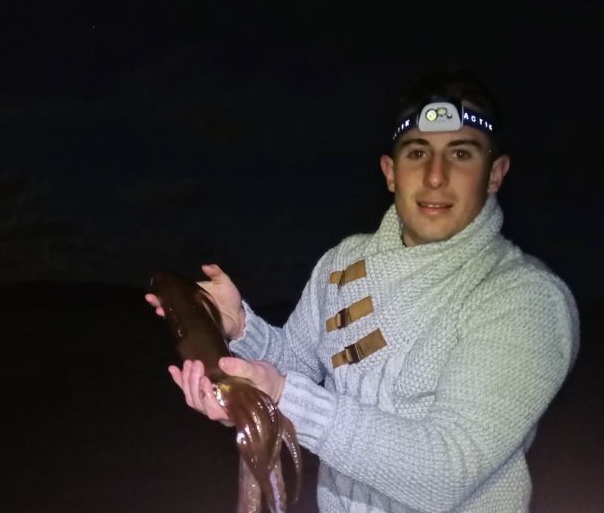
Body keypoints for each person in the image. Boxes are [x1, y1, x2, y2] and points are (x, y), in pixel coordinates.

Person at [146, 68, 579, 512]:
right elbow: (292, 364)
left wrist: (283, 397)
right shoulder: (343, 263)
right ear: (390, 172)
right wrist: (241, 329)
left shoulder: (526, 298)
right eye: (417, 152)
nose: (435, 176)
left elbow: (447, 471)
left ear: (495, 173)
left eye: (461, 154)